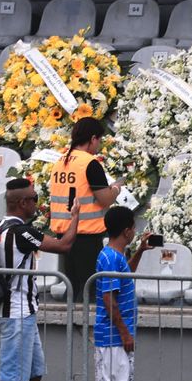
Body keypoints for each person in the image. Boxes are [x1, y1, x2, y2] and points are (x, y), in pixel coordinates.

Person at [0, 178, 79, 381]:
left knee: (34, 371)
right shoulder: (18, 232)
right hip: (15, 310)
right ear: (20, 203)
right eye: (32, 199)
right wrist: (75, 216)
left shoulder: (0, 227)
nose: (36, 203)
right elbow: (64, 245)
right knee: (10, 374)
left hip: (24, 309)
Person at [93, 206, 152, 381]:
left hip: (111, 334)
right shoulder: (109, 257)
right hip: (114, 335)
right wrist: (125, 333)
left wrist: (139, 252)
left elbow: (124, 275)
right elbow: (109, 299)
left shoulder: (114, 256)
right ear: (127, 230)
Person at [49, 117, 123, 303]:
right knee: (89, 287)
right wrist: (116, 188)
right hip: (86, 235)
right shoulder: (90, 163)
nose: (98, 145)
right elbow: (105, 200)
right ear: (92, 138)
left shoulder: (60, 162)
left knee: (72, 285)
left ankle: (69, 326)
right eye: (98, 140)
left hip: (64, 234)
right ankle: (85, 328)